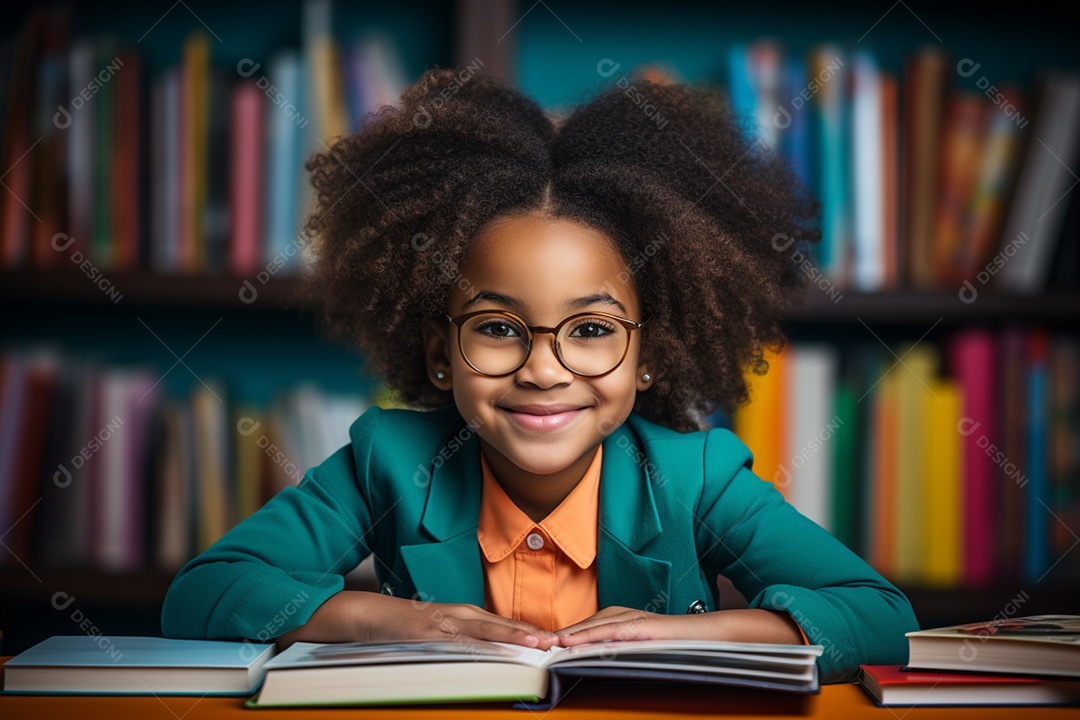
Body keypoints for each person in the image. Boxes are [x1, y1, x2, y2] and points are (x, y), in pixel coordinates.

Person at [161, 66, 919, 683]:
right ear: (440, 351)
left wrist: (693, 634)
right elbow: (202, 593)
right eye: (498, 328)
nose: (544, 370)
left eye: (591, 330)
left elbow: (882, 618)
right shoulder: (385, 462)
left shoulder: (698, 479)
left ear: (650, 355)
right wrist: (393, 620)